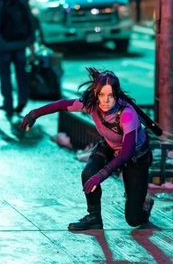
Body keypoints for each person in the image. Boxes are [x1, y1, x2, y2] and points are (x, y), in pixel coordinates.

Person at [20, 68, 162, 231]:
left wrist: (101, 175)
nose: (106, 100)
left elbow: (127, 152)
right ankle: (94, 217)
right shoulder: (91, 104)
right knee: (88, 173)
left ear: (116, 94)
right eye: (101, 95)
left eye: (110, 95)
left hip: (135, 157)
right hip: (109, 146)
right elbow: (62, 105)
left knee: (133, 219)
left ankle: (145, 204)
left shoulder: (127, 114)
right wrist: (34, 114)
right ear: (96, 94)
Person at [0, 0, 35, 118]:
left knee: (5, 75)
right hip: (20, 44)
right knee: (21, 74)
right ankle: (22, 100)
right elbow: (30, 21)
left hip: (4, 45)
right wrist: (31, 43)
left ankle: (8, 104)